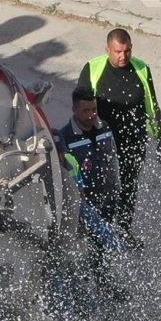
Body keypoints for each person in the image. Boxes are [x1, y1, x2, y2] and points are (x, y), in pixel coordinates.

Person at [80, 29, 161, 234]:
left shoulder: (142, 68)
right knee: (102, 187)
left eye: (127, 51)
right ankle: (100, 232)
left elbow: (153, 105)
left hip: (134, 140)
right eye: (118, 51)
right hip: (103, 143)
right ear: (107, 49)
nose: (123, 56)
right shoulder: (93, 69)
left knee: (129, 187)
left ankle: (124, 231)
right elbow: (80, 107)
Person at [56, 92, 124, 248]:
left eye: (94, 109)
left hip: (108, 199)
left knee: (104, 250)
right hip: (86, 206)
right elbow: (67, 176)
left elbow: (113, 159)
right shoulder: (66, 137)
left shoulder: (104, 128)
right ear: (74, 110)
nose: (91, 115)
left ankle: (105, 271)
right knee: (89, 250)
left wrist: (117, 188)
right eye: (86, 111)